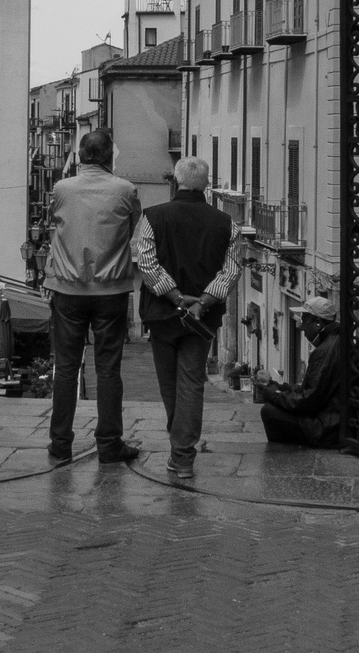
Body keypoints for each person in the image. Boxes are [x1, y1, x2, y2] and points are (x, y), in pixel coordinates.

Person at [132, 156, 241, 479]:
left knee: (169, 385)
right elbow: (231, 271)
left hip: (162, 315)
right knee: (192, 384)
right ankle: (183, 457)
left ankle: (178, 447)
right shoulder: (227, 223)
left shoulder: (153, 217)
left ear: (175, 182)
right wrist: (202, 303)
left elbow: (147, 264)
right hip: (201, 320)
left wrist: (176, 297)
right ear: (206, 184)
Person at [43, 128, 142, 464]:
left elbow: (53, 222)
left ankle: (60, 445)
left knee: (67, 368)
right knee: (108, 370)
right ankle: (110, 444)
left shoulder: (61, 189)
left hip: (68, 289)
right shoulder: (126, 190)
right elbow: (134, 228)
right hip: (111, 291)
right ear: (108, 157)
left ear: (82, 156)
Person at [260, 296, 341, 448]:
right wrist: (279, 387)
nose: (300, 326)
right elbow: (310, 388)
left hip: (327, 427)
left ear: (318, 323)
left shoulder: (325, 351)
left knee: (269, 412)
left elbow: (309, 400)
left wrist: (274, 394)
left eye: (304, 321)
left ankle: (283, 457)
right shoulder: (334, 341)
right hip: (333, 419)